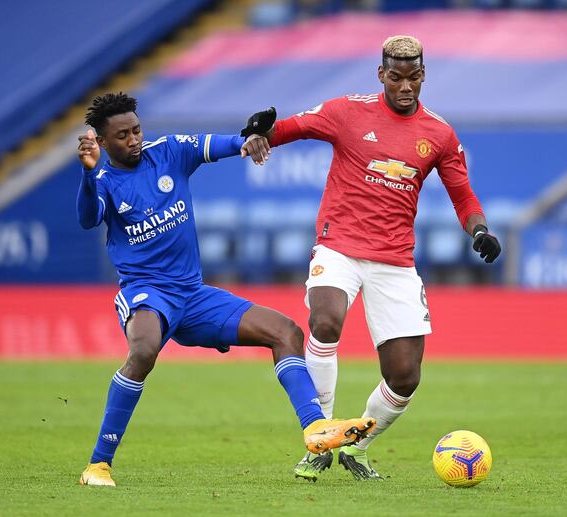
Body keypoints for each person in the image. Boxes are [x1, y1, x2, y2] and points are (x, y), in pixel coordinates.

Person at [75, 92, 375, 486]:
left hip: (194, 296)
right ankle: (98, 465)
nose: (133, 139)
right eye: (122, 135)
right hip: (147, 292)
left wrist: (245, 142)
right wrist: (86, 173)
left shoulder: (167, 152)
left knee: (286, 332)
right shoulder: (103, 179)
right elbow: (86, 219)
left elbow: (215, 146)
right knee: (144, 351)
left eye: (136, 130)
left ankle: (315, 426)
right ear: (101, 140)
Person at [254, 35, 501, 480]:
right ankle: (320, 437)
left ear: (423, 76)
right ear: (381, 74)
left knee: (405, 376)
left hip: (395, 259)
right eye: (395, 77)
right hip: (339, 245)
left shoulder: (439, 133)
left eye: (413, 78)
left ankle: (357, 446)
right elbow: (291, 128)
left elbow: (463, 196)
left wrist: (479, 229)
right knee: (325, 320)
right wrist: (260, 132)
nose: (405, 86)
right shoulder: (347, 111)